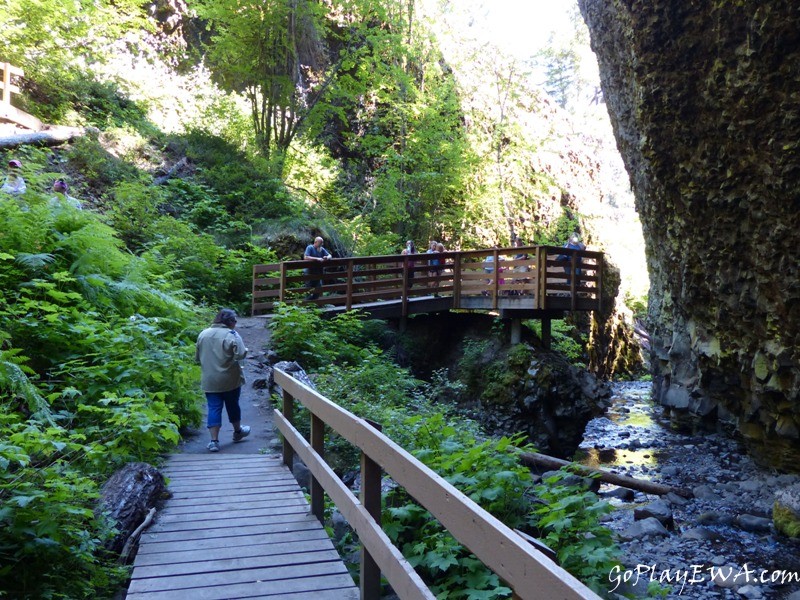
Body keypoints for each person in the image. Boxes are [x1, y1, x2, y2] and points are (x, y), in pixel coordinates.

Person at [195, 309, 250, 452]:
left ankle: (214, 441)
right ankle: (238, 432)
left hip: (209, 379)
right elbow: (240, 354)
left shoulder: (203, 334)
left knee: (213, 407)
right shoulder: (231, 334)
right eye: (235, 321)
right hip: (230, 378)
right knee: (233, 405)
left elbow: (197, 357)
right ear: (230, 322)